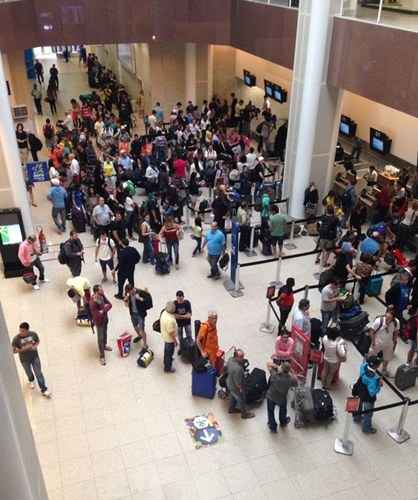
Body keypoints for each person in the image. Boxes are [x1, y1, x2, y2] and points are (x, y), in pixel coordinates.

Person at [12, 322, 51, 398]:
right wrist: (23, 349)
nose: (21, 332)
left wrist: (35, 346)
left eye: (23, 331)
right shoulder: (16, 339)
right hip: (24, 360)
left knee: (39, 373)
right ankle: (31, 380)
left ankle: (44, 389)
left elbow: (37, 341)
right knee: (28, 372)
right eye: (20, 330)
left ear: (27, 330)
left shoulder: (33, 334)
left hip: (34, 357)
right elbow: (13, 351)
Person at [353, 356, 383, 434]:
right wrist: (379, 385)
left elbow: (365, 363)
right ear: (376, 366)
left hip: (359, 390)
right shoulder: (373, 379)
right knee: (368, 413)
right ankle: (366, 428)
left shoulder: (363, 366)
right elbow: (372, 392)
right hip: (368, 398)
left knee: (358, 405)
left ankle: (357, 418)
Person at [266, 361, 297, 432]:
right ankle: (283, 422)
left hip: (271, 396)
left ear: (282, 368)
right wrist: (290, 372)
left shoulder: (275, 375)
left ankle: (273, 427)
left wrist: (277, 367)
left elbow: (268, 364)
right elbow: (296, 382)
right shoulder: (291, 379)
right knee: (283, 410)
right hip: (282, 397)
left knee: (271, 412)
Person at [368, 308, 400, 377]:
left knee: (387, 357)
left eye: (391, 315)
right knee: (371, 355)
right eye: (388, 313)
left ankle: (384, 369)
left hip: (388, 343)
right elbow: (371, 332)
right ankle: (368, 367)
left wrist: (394, 341)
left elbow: (396, 332)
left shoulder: (396, 322)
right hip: (377, 342)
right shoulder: (379, 321)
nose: (388, 317)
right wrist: (373, 342)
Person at [226, 349, 255, 419]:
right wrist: (241, 390)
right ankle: (244, 414)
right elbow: (238, 383)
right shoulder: (238, 369)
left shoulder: (230, 360)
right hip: (236, 387)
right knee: (241, 400)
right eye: (241, 357)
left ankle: (231, 409)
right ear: (236, 356)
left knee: (233, 396)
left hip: (229, 382)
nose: (243, 358)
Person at [89, 285, 113, 365]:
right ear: (96, 292)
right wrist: (103, 309)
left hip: (105, 319)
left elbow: (110, 304)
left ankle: (105, 346)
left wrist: (103, 310)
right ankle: (102, 356)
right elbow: (96, 315)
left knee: (105, 333)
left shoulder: (102, 296)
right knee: (100, 338)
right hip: (99, 322)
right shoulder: (92, 302)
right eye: (101, 289)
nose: (102, 290)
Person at [124, 284, 152, 349]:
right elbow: (127, 305)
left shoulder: (140, 293)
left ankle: (145, 344)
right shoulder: (128, 295)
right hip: (133, 314)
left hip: (140, 315)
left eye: (130, 292)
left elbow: (148, 301)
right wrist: (126, 300)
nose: (130, 293)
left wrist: (140, 298)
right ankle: (139, 336)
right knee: (135, 327)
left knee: (142, 329)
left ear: (132, 289)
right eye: (128, 293)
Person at [160, 301, 178, 373]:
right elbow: (171, 332)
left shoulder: (164, 312)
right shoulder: (170, 320)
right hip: (169, 339)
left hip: (164, 335)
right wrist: (175, 341)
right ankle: (167, 368)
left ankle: (167, 360)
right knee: (169, 352)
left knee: (167, 351)